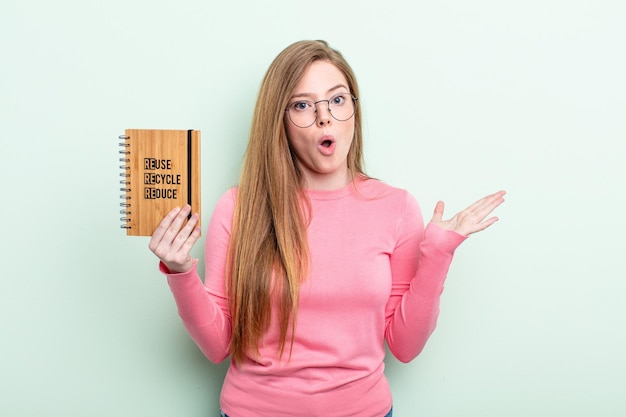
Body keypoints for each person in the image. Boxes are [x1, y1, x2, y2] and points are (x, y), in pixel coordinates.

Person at [149, 39, 505, 417]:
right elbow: (217, 345)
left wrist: (437, 254)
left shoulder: (397, 207)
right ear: (279, 121)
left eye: (337, 100)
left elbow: (405, 346)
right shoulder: (239, 208)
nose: (324, 117)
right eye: (302, 105)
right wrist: (180, 272)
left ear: (354, 109)